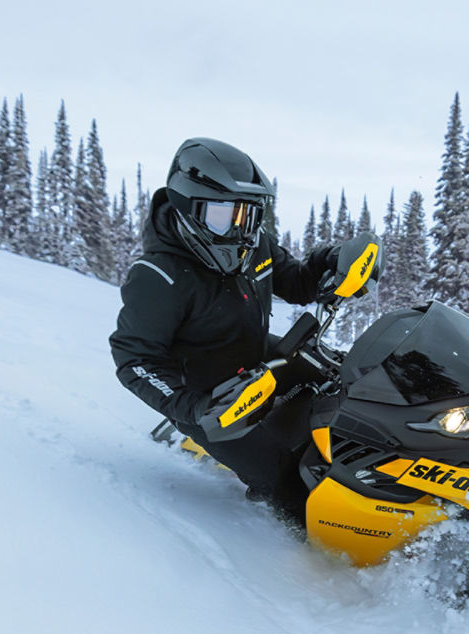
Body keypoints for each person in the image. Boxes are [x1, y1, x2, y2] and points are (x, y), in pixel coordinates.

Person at [109, 137, 376, 524]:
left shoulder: (253, 244)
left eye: (248, 215)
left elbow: (297, 281)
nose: (239, 230)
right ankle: (309, 548)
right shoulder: (159, 277)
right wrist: (195, 408)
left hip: (258, 358)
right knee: (286, 480)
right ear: (189, 209)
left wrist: (334, 262)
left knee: (350, 386)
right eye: (223, 216)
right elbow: (134, 360)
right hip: (212, 400)